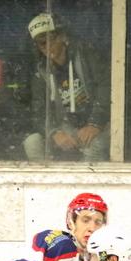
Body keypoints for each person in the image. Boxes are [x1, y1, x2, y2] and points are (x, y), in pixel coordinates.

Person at [23, 13, 110, 162]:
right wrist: (54, 132)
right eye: (40, 43)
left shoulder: (86, 55)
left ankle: (88, 185)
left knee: (94, 146)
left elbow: (107, 87)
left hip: (99, 121)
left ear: (62, 36)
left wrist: (95, 123)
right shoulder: (41, 71)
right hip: (66, 127)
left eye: (49, 39)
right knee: (32, 143)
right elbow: (38, 109)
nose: (45, 47)